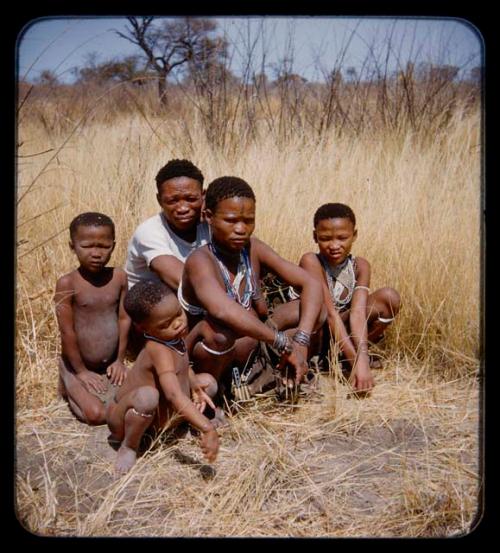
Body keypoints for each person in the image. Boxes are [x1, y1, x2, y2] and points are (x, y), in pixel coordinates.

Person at [179, 176, 325, 396]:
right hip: (216, 352)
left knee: (315, 311)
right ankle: (222, 395)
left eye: (248, 221)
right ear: (209, 217)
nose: (241, 229)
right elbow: (222, 310)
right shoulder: (200, 260)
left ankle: (281, 375)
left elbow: (310, 283)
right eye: (231, 220)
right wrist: (282, 342)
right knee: (218, 335)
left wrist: (302, 340)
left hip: (256, 344)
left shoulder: (252, 248)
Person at [272, 202, 401, 393]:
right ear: (315, 237)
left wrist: (361, 359)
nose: (334, 245)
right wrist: (355, 362)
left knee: (388, 297)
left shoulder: (360, 266)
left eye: (342, 238)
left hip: (341, 331)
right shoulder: (311, 261)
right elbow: (330, 314)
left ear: (354, 235)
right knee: (319, 314)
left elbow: (357, 312)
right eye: (325, 238)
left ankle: (341, 358)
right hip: (316, 333)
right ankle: (322, 360)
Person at [106, 280, 220, 474]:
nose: (178, 323)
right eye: (166, 324)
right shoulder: (157, 349)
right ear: (144, 329)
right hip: (127, 417)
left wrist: (194, 387)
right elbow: (174, 395)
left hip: (162, 413)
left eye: (178, 314)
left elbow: (183, 367)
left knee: (208, 383)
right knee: (147, 397)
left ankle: (181, 423)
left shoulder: (173, 336)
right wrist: (207, 428)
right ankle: (130, 445)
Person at [54, 212, 131, 425]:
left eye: (104, 246)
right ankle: (67, 379)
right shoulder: (67, 283)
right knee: (97, 415)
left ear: (113, 246)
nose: (96, 253)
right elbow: (67, 332)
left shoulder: (119, 277)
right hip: (78, 365)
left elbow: (124, 319)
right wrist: (81, 371)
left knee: (134, 403)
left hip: (109, 365)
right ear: (73, 246)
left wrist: (119, 360)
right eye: (87, 246)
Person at [125, 158, 209, 291]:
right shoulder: (149, 232)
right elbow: (185, 283)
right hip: (153, 305)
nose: (183, 208)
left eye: (191, 199)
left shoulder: (211, 224)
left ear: (203, 196)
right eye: (172, 201)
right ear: (159, 200)